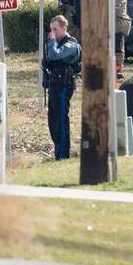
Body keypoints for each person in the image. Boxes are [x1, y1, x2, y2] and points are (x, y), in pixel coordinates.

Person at [43, 15, 81, 160]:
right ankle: (58, 154)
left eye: (55, 29)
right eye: (51, 29)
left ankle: (63, 156)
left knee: (61, 121)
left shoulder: (70, 45)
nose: (52, 32)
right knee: (53, 122)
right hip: (54, 85)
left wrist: (52, 41)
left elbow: (54, 55)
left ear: (64, 28)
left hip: (64, 85)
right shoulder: (55, 43)